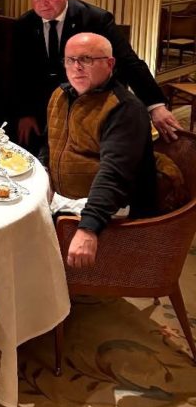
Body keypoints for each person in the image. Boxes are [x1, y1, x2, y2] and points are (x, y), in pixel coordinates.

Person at [14, 0, 180, 147]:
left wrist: (155, 106)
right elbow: (20, 71)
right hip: (44, 108)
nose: (43, 4)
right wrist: (25, 113)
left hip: (92, 104)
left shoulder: (96, 19)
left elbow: (128, 61)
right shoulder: (25, 23)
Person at [45, 32, 158, 268]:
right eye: (70, 60)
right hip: (64, 200)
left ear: (110, 63)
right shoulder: (60, 95)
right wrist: (45, 175)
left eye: (86, 59)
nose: (76, 67)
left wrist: (88, 228)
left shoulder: (124, 109)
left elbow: (114, 174)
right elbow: (50, 144)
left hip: (109, 211)